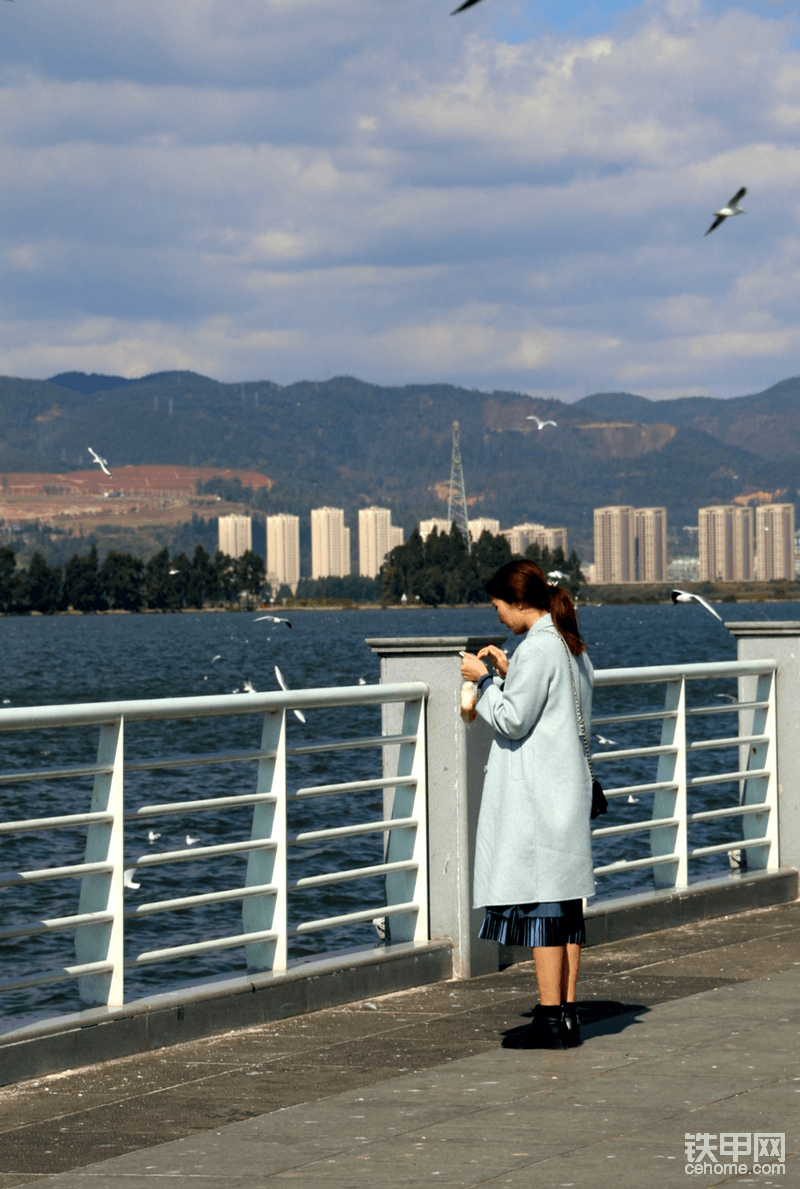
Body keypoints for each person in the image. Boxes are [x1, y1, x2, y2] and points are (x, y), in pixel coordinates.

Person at [460, 558, 594, 1049]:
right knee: (566, 909)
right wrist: (510, 670)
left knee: (543, 910)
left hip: (540, 798)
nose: (497, 615)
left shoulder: (538, 647)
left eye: (498, 605)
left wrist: (485, 681)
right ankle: (567, 1013)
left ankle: (550, 1018)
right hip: (565, 791)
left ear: (519, 602)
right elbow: (557, 702)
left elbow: (515, 719)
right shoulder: (569, 645)